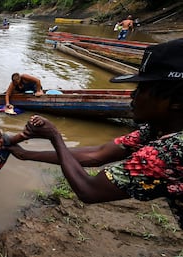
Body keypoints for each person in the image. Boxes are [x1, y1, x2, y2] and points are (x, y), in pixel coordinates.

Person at [9, 38, 183, 229]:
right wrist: (25, 154)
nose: (133, 95)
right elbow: (97, 154)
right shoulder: (156, 129)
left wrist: (55, 136)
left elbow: (89, 190)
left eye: (142, 89)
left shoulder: (172, 151)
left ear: (176, 101)